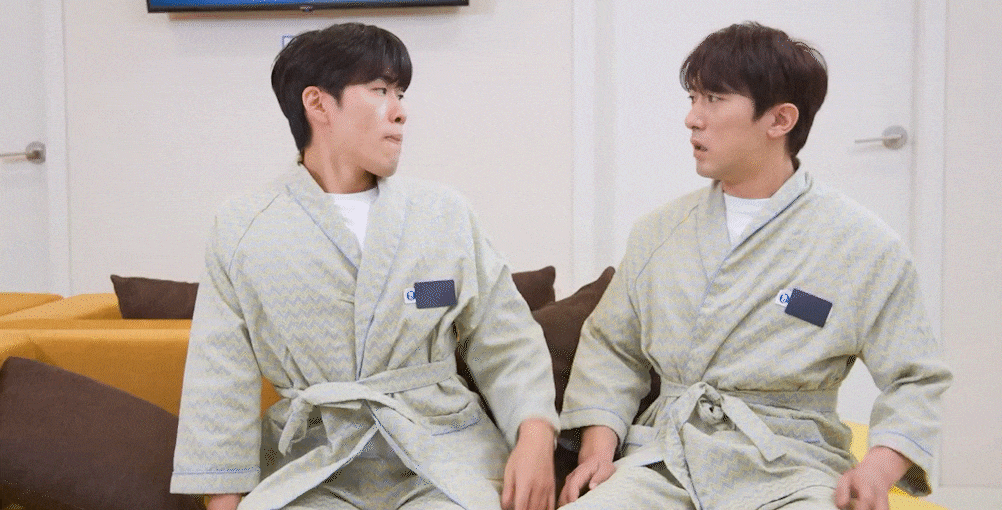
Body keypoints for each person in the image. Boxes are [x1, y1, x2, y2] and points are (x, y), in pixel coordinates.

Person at [557, 22, 951, 510]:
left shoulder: (862, 246)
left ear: (780, 119)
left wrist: (878, 467)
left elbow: (915, 377)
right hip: (667, 460)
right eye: (692, 98)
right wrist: (598, 450)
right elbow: (612, 349)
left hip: (792, 465)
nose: (692, 118)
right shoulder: (658, 233)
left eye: (714, 99)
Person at [170, 22, 559, 510]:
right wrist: (224, 500)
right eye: (380, 91)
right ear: (318, 104)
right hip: (314, 464)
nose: (400, 111)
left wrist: (535, 436)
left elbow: (506, 340)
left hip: (440, 453)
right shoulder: (243, 228)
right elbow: (220, 378)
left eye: (400, 94)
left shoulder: (443, 214)